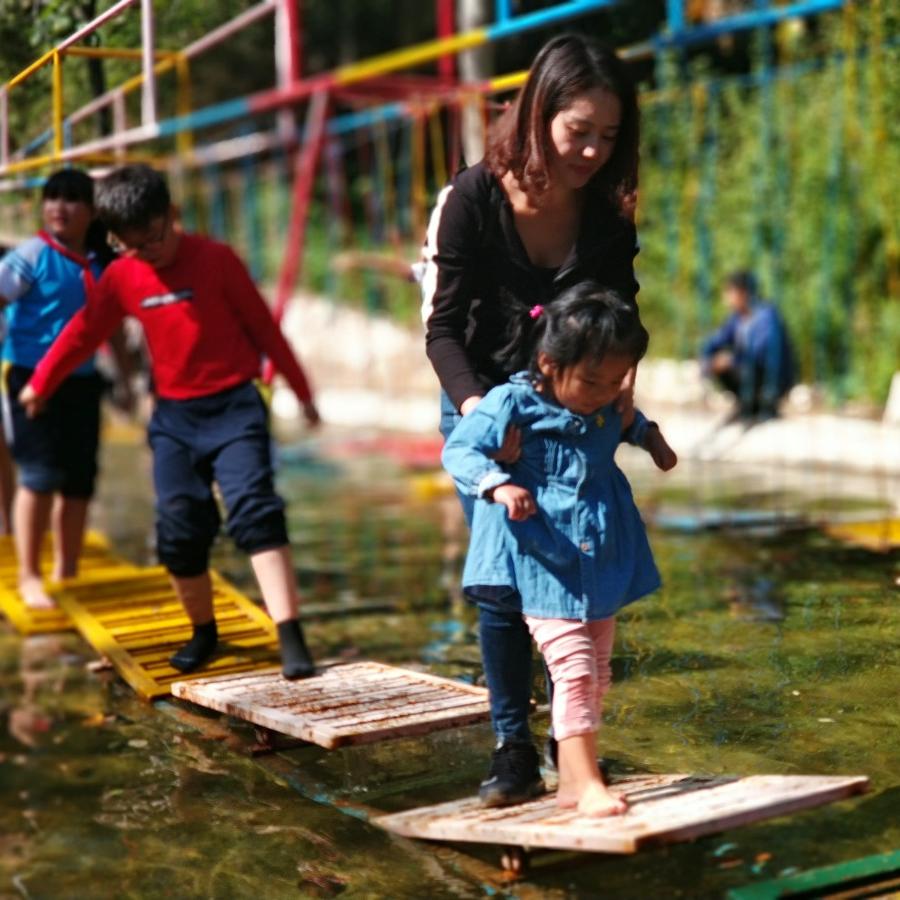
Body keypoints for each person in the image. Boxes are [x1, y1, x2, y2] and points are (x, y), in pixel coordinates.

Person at [420, 34, 643, 805]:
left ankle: (571, 745)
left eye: (609, 137)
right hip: (484, 403)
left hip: (574, 416)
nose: (591, 150)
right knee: (505, 586)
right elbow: (442, 327)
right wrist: (483, 416)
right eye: (579, 130)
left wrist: (624, 393)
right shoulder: (473, 198)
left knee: (580, 575)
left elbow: (623, 315)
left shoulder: (608, 216)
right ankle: (513, 746)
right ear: (542, 110)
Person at [18, 164, 320, 680]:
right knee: (179, 530)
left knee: (254, 510)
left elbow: (265, 329)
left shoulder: (216, 260)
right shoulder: (122, 275)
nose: (148, 251)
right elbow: (83, 333)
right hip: (175, 418)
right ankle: (203, 631)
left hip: (234, 408)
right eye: (132, 244)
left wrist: (303, 393)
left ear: (171, 215)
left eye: (154, 236)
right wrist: (41, 382)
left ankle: (290, 635)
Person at [442, 286, 676, 816]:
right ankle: (584, 782)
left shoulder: (601, 403)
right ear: (548, 363)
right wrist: (497, 484)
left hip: (597, 556)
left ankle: (572, 779)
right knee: (572, 667)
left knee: (598, 669)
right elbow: (459, 448)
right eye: (593, 381)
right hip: (539, 559)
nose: (605, 393)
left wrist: (652, 438)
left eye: (616, 381)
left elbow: (627, 420)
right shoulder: (512, 402)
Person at [0, 169, 127, 608]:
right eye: (52, 197)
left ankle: (67, 570)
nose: (59, 206)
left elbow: (112, 327)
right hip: (31, 382)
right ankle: (30, 575)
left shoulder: (102, 262)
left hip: (84, 381)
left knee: (79, 480)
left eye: (72, 199)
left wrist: (127, 379)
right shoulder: (30, 257)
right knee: (37, 477)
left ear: (92, 211)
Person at [700, 271, 796, 422]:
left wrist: (731, 360)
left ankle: (766, 403)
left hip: (773, 375)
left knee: (734, 364)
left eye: (729, 292)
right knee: (717, 361)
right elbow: (715, 342)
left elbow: (760, 353)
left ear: (742, 293)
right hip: (748, 367)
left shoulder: (766, 315)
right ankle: (748, 405)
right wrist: (707, 359)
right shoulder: (737, 317)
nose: (726, 297)